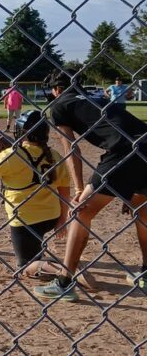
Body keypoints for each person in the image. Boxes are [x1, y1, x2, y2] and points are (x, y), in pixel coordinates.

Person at [33, 69, 147, 302]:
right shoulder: (99, 97)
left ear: (56, 90)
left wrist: (78, 190)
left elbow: (71, 149)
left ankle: (64, 282)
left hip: (124, 152)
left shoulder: (60, 104)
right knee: (143, 211)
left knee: (80, 212)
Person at [0, 111, 96, 289]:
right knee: (34, 247)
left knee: (25, 267)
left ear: (21, 132)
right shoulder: (54, 154)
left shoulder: (12, 155)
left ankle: (68, 270)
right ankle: (55, 263)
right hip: (51, 215)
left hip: (24, 220)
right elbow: (63, 189)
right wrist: (62, 219)